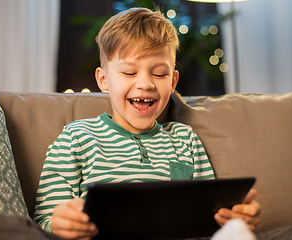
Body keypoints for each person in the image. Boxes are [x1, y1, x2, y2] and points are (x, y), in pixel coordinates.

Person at [33, 7, 261, 240]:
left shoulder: (186, 139)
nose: (145, 84)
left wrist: (235, 220)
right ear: (103, 80)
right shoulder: (76, 138)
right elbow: (43, 223)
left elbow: (211, 218)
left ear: (173, 82)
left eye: (159, 74)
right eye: (130, 73)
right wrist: (63, 225)